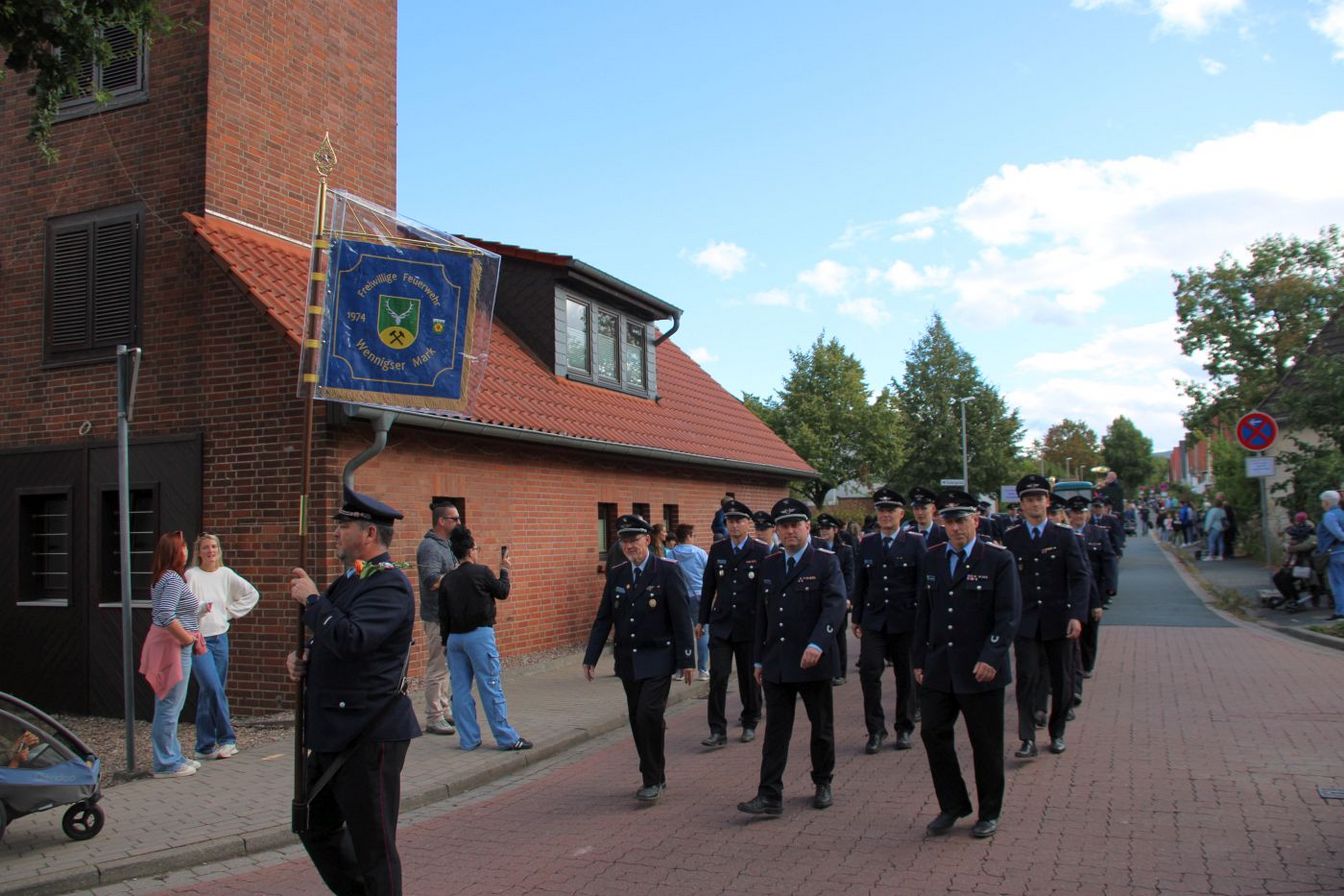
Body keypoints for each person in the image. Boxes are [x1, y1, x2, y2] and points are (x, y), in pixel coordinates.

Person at [286, 487, 421, 896]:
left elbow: (353, 639)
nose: (336, 533)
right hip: (335, 730)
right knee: (312, 822)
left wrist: (312, 600)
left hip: (368, 733)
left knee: (374, 847)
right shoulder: (350, 581)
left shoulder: (389, 585)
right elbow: (333, 638)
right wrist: (304, 657)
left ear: (369, 533)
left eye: (344, 526)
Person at [914, 489, 1020, 839]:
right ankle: (953, 804)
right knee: (932, 732)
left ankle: (989, 812)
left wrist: (992, 656)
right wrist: (918, 659)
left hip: (980, 668)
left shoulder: (998, 559)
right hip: (940, 666)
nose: (955, 528)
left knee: (985, 744)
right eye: (949, 521)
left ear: (976, 520)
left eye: (961, 520)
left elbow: (1008, 615)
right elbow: (924, 612)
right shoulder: (932, 557)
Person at [737, 498, 847, 817]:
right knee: (776, 730)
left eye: (795, 525)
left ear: (807, 526)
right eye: (783, 526)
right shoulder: (770, 563)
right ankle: (769, 794)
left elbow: (835, 606)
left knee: (821, 726)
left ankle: (823, 781)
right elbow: (762, 614)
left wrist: (818, 643)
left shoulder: (825, 562)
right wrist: (758, 659)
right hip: (778, 660)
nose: (789, 531)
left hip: (812, 659)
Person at [583, 514, 695, 802]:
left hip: (658, 656)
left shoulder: (667, 570)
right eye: (624, 541)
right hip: (629, 659)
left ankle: (652, 779)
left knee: (648, 714)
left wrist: (687, 659)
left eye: (634, 540)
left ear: (647, 539)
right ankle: (654, 773)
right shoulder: (618, 573)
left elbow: (681, 618)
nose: (629, 546)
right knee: (637, 718)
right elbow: (604, 617)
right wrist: (591, 657)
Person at [1002, 475, 1089, 759]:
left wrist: (1076, 615)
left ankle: (1057, 732)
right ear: (1021, 504)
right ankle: (1027, 737)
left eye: (1039, 498)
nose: (1034, 504)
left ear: (1047, 501)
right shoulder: (1012, 537)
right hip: (1026, 621)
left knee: (1062, 680)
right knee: (1026, 678)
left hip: (1058, 619)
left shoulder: (1064, 535)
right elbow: (1006, 581)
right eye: (1029, 499)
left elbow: (1079, 577)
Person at [438, 528, 531, 752]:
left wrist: (445, 642)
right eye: (476, 548)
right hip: (479, 635)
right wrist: (505, 570)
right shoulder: (481, 572)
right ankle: (506, 738)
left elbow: (443, 614)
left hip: (454, 639)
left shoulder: (448, 579)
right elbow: (502, 592)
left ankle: (468, 739)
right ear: (471, 551)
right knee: (490, 685)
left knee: (460, 690)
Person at [851, 487, 927, 754]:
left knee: (905, 675)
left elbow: (922, 584)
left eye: (890, 511)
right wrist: (857, 617)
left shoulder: (915, 542)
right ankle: (875, 730)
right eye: (881, 511)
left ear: (901, 514)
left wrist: (922, 620)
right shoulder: (868, 543)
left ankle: (904, 727)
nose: (885, 515)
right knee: (869, 671)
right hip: (874, 619)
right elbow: (861, 582)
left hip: (905, 619)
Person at [698, 500, 767, 748]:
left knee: (749, 677)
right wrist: (702, 619)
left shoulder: (761, 551)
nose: (734, 526)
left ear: (748, 523)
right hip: (722, 624)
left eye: (739, 521)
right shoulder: (718, 549)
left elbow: (766, 591)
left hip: (749, 624)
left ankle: (750, 721)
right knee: (718, 675)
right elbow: (708, 586)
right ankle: (717, 730)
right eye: (730, 521)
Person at [185, 533, 259, 761]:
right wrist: (200, 611)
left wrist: (228, 612)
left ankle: (204, 746)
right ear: (199, 552)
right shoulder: (191, 576)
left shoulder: (226, 574)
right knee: (213, 687)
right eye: (206, 547)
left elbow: (251, 594)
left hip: (220, 638)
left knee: (210, 692)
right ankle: (228, 739)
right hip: (199, 639)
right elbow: (185, 605)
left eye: (214, 547)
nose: (210, 551)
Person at [146, 530, 204, 778]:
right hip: (174, 647)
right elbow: (166, 614)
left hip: (172, 645)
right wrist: (187, 638)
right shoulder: (171, 578)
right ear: (175, 551)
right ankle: (165, 762)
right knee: (170, 704)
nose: (187, 551)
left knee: (172, 704)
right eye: (183, 547)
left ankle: (173, 755)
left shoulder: (165, 577)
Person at [416, 500, 460, 737]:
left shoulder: (447, 545)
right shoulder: (430, 547)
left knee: (446, 666)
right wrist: (459, 577)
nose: (459, 523)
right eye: (455, 519)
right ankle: (434, 717)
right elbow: (431, 580)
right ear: (442, 521)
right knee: (437, 666)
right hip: (436, 616)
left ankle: (444, 709)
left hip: (449, 614)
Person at [815, 513, 855, 686]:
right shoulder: (816, 548)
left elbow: (850, 575)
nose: (824, 532)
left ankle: (840, 672)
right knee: (824, 634)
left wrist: (848, 598)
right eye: (822, 529)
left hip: (839, 598)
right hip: (822, 598)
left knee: (839, 635)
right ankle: (828, 670)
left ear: (835, 530)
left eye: (827, 529)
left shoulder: (845, 550)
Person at [667, 523, 710, 680]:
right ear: (689, 536)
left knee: (680, 632)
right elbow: (710, 574)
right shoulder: (700, 553)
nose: (695, 538)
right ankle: (703, 670)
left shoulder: (671, 554)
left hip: (679, 597)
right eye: (694, 535)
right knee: (702, 632)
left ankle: (680, 669)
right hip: (699, 595)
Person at [1317, 490, 1344, 621]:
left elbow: (1338, 533)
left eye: (1322, 502)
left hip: (1335, 553)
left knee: (1338, 583)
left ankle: (1340, 611)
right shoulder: (1342, 513)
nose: (1322, 504)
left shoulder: (1329, 515)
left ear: (1327, 502)